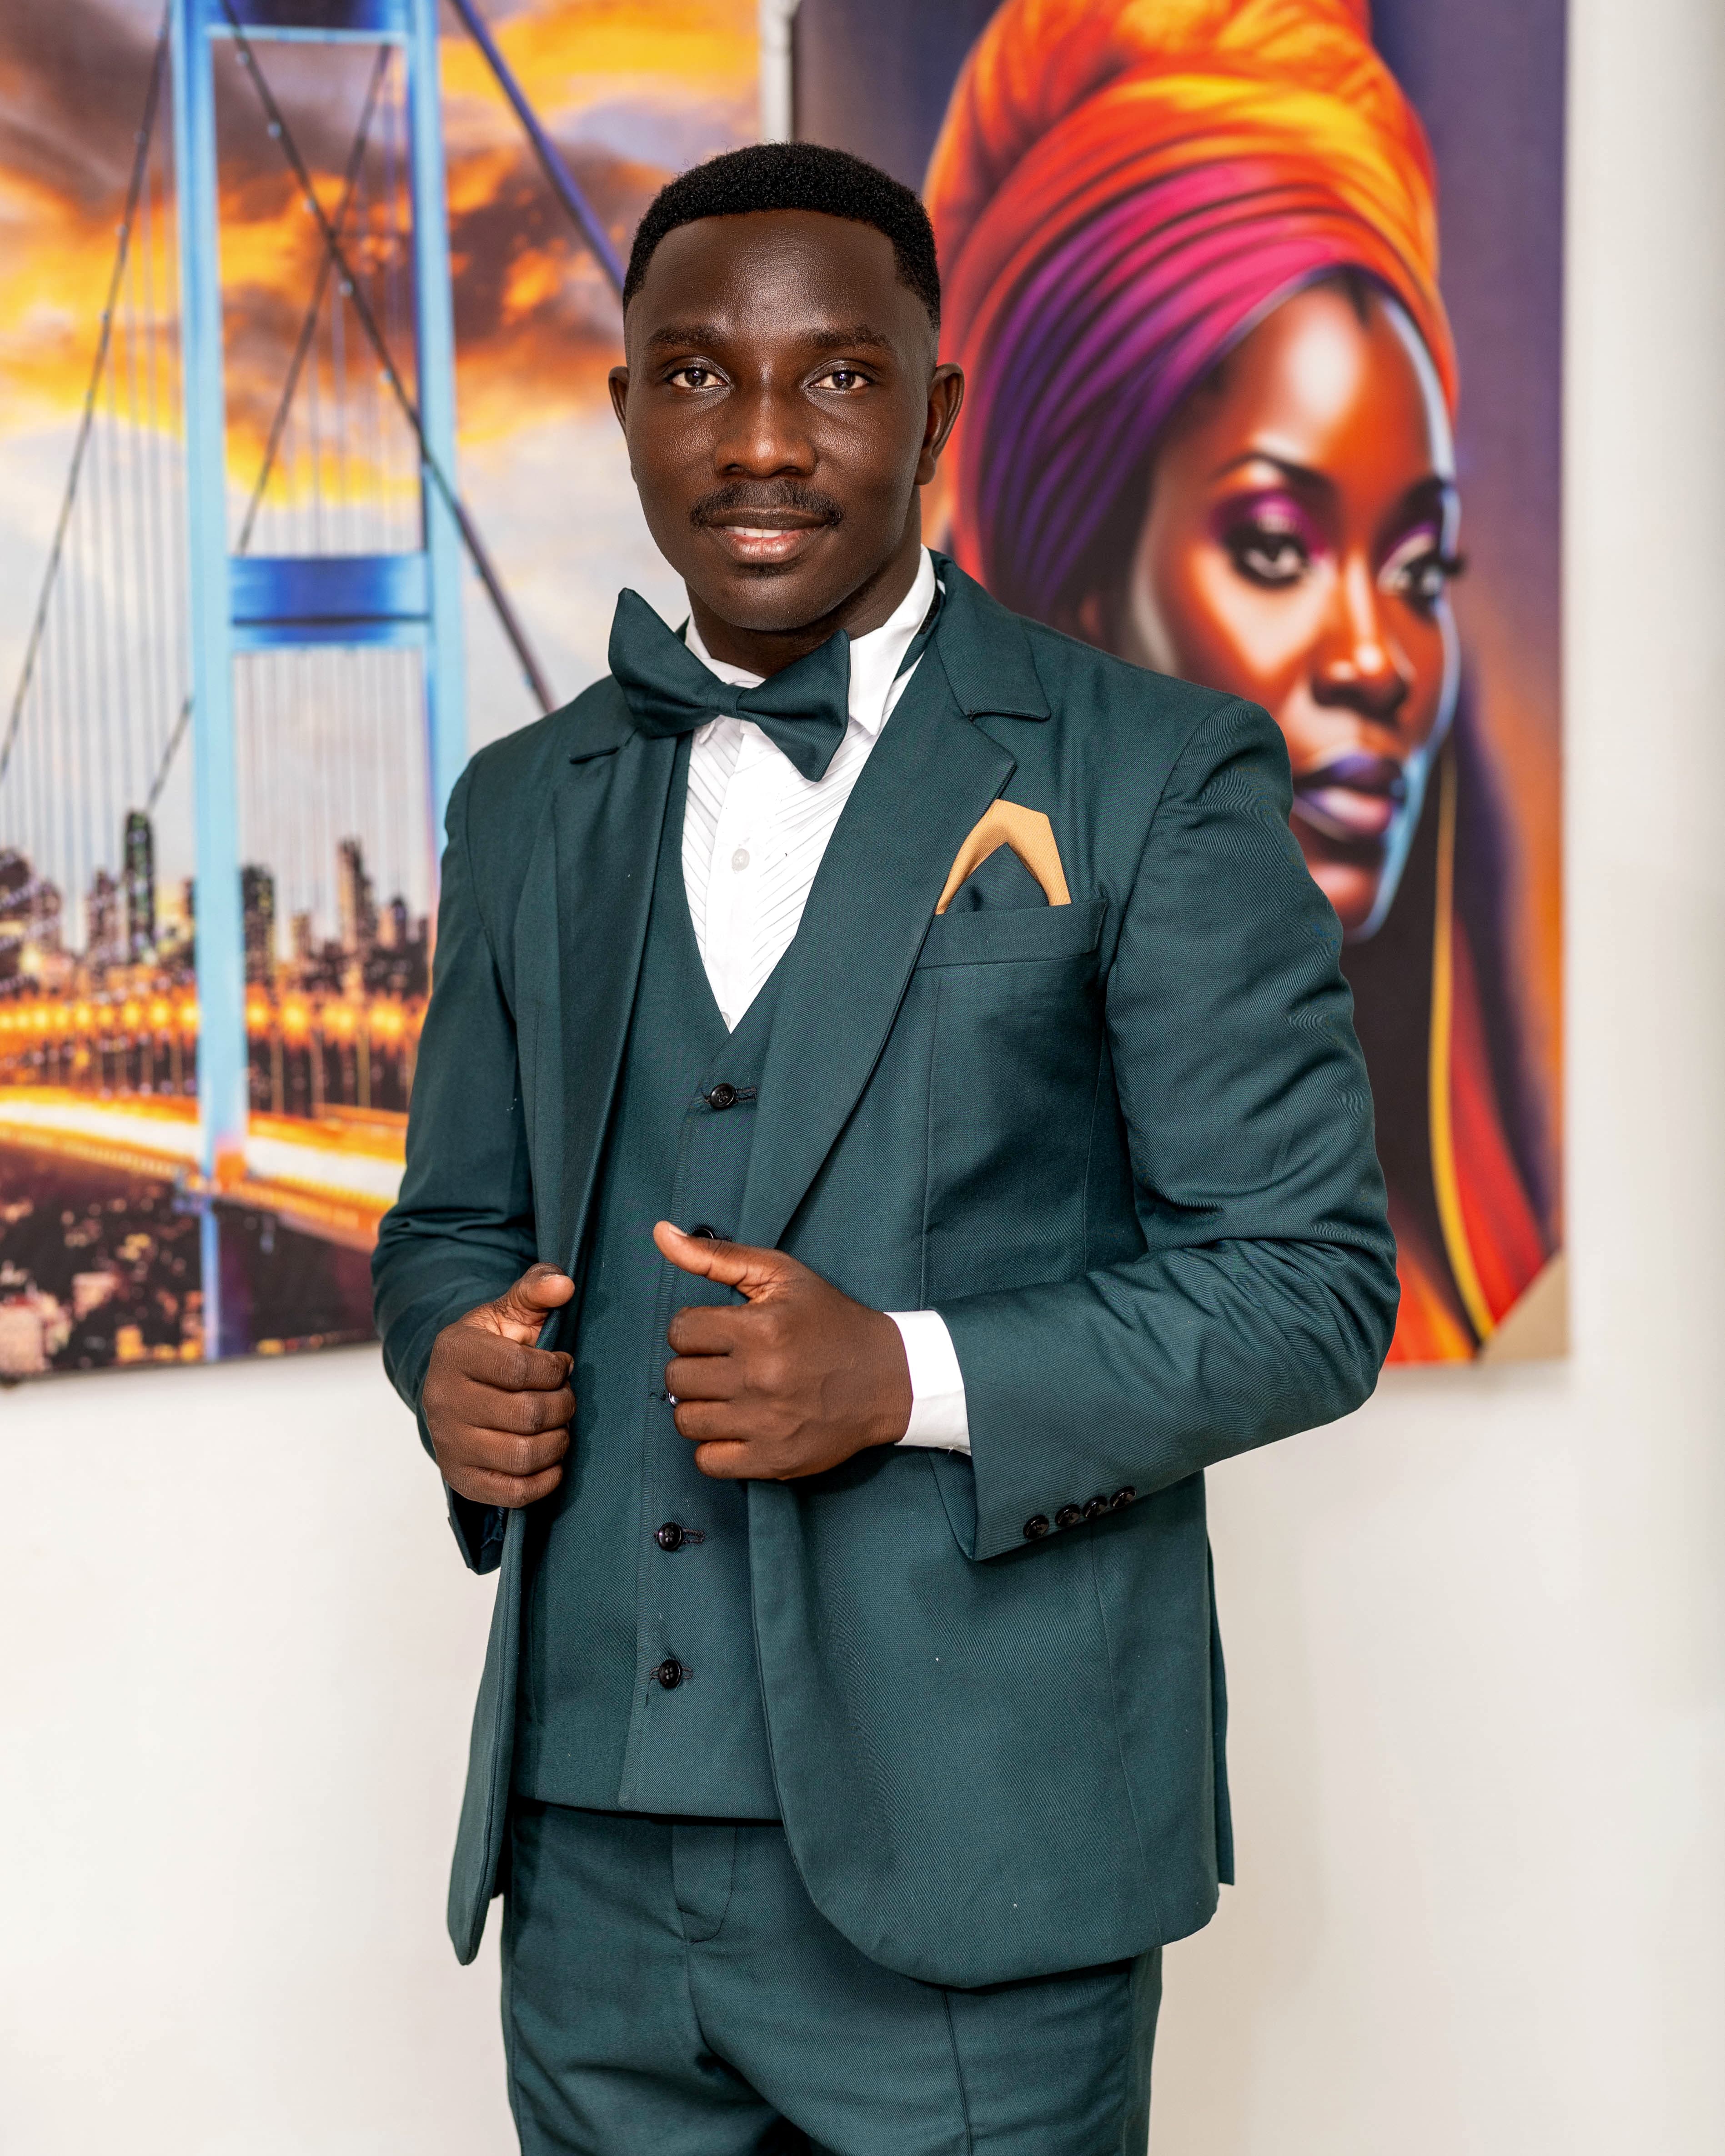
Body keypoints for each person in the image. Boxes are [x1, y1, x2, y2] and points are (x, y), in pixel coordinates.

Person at [373, 140, 1397, 2154]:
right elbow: (452, 1223)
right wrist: (444, 1359)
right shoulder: (522, 805)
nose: (757, 442)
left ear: (933, 413)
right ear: (628, 407)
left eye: (834, 378)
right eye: (694, 376)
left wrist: (906, 1376)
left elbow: (1309, 1285)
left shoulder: (1148, 772)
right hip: (587, 1878)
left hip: (982, 1879)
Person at [925, 0, 1555, 1361]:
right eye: (1273, 548)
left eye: (1418, 569)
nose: (1375, 662)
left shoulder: (1468, 1290)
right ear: (1072, 574)